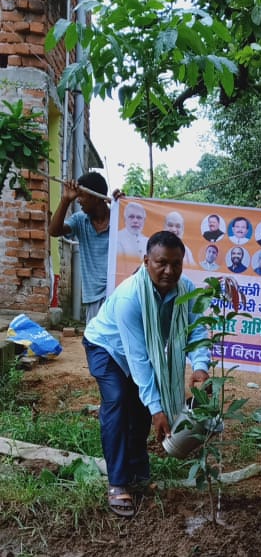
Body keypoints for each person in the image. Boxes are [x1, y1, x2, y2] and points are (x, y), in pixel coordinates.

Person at [83, 231, 210, 518]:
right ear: (146, 261)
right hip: (107, 347)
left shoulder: (185, 290)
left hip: (137, 352)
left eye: (176, 264)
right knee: (116, 402)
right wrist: (157, 408)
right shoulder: (131, 296)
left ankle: (139, 472)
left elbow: (198, 330)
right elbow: (138, 358)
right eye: (161, 263)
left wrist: (201, 366)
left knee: (140, 409)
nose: (169, 271)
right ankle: (117, 482)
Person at [49, 172, 114, 323]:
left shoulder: (119, 219)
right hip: (94, 298)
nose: (78, 200)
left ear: (96, 197)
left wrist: (122, 205)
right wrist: (65, 200)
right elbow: (53, 231)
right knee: (96, 344)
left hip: (118, 294)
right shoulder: (80, 221)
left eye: (82, 196)